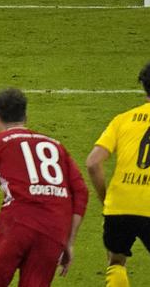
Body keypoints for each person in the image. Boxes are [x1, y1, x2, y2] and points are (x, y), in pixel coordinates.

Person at [0, 88, 88, 287]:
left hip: (16, 225)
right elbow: (81, 192)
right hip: (54, 229)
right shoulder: (56, 146)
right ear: (26, 116)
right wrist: (69, 241)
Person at [86, 62, 150, 287]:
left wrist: (106, 201)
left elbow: (93, 163)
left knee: (116, 261)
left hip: (120, 204)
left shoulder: (122, 119)